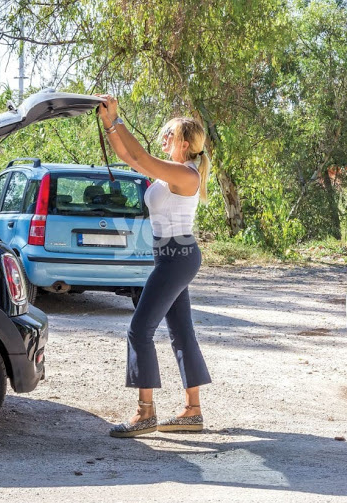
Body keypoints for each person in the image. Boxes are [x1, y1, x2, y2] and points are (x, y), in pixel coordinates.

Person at [98, 94, 212, 438]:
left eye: (169, 134)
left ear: (185, 143)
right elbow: (127, 155)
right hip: (169, 256)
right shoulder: (169, 173)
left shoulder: (185, 174)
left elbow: (140, 155)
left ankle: (144, 413)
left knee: (139, 329)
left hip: (178, 256)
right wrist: (109, 125)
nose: (163, 138)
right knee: (181, 332)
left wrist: (117, 120)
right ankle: (193, 411)